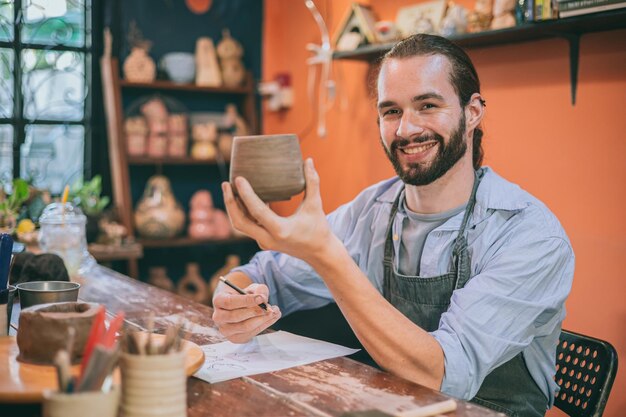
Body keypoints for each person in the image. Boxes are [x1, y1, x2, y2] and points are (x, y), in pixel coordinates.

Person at [212, 34, 574, 417]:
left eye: (428, 105)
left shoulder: (529, 235)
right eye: (391, 112)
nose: (406, 130)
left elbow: (442, 373)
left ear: (473, 113)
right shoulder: (371, 210)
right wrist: (235, 300)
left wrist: (326, 255)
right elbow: (264, 273)